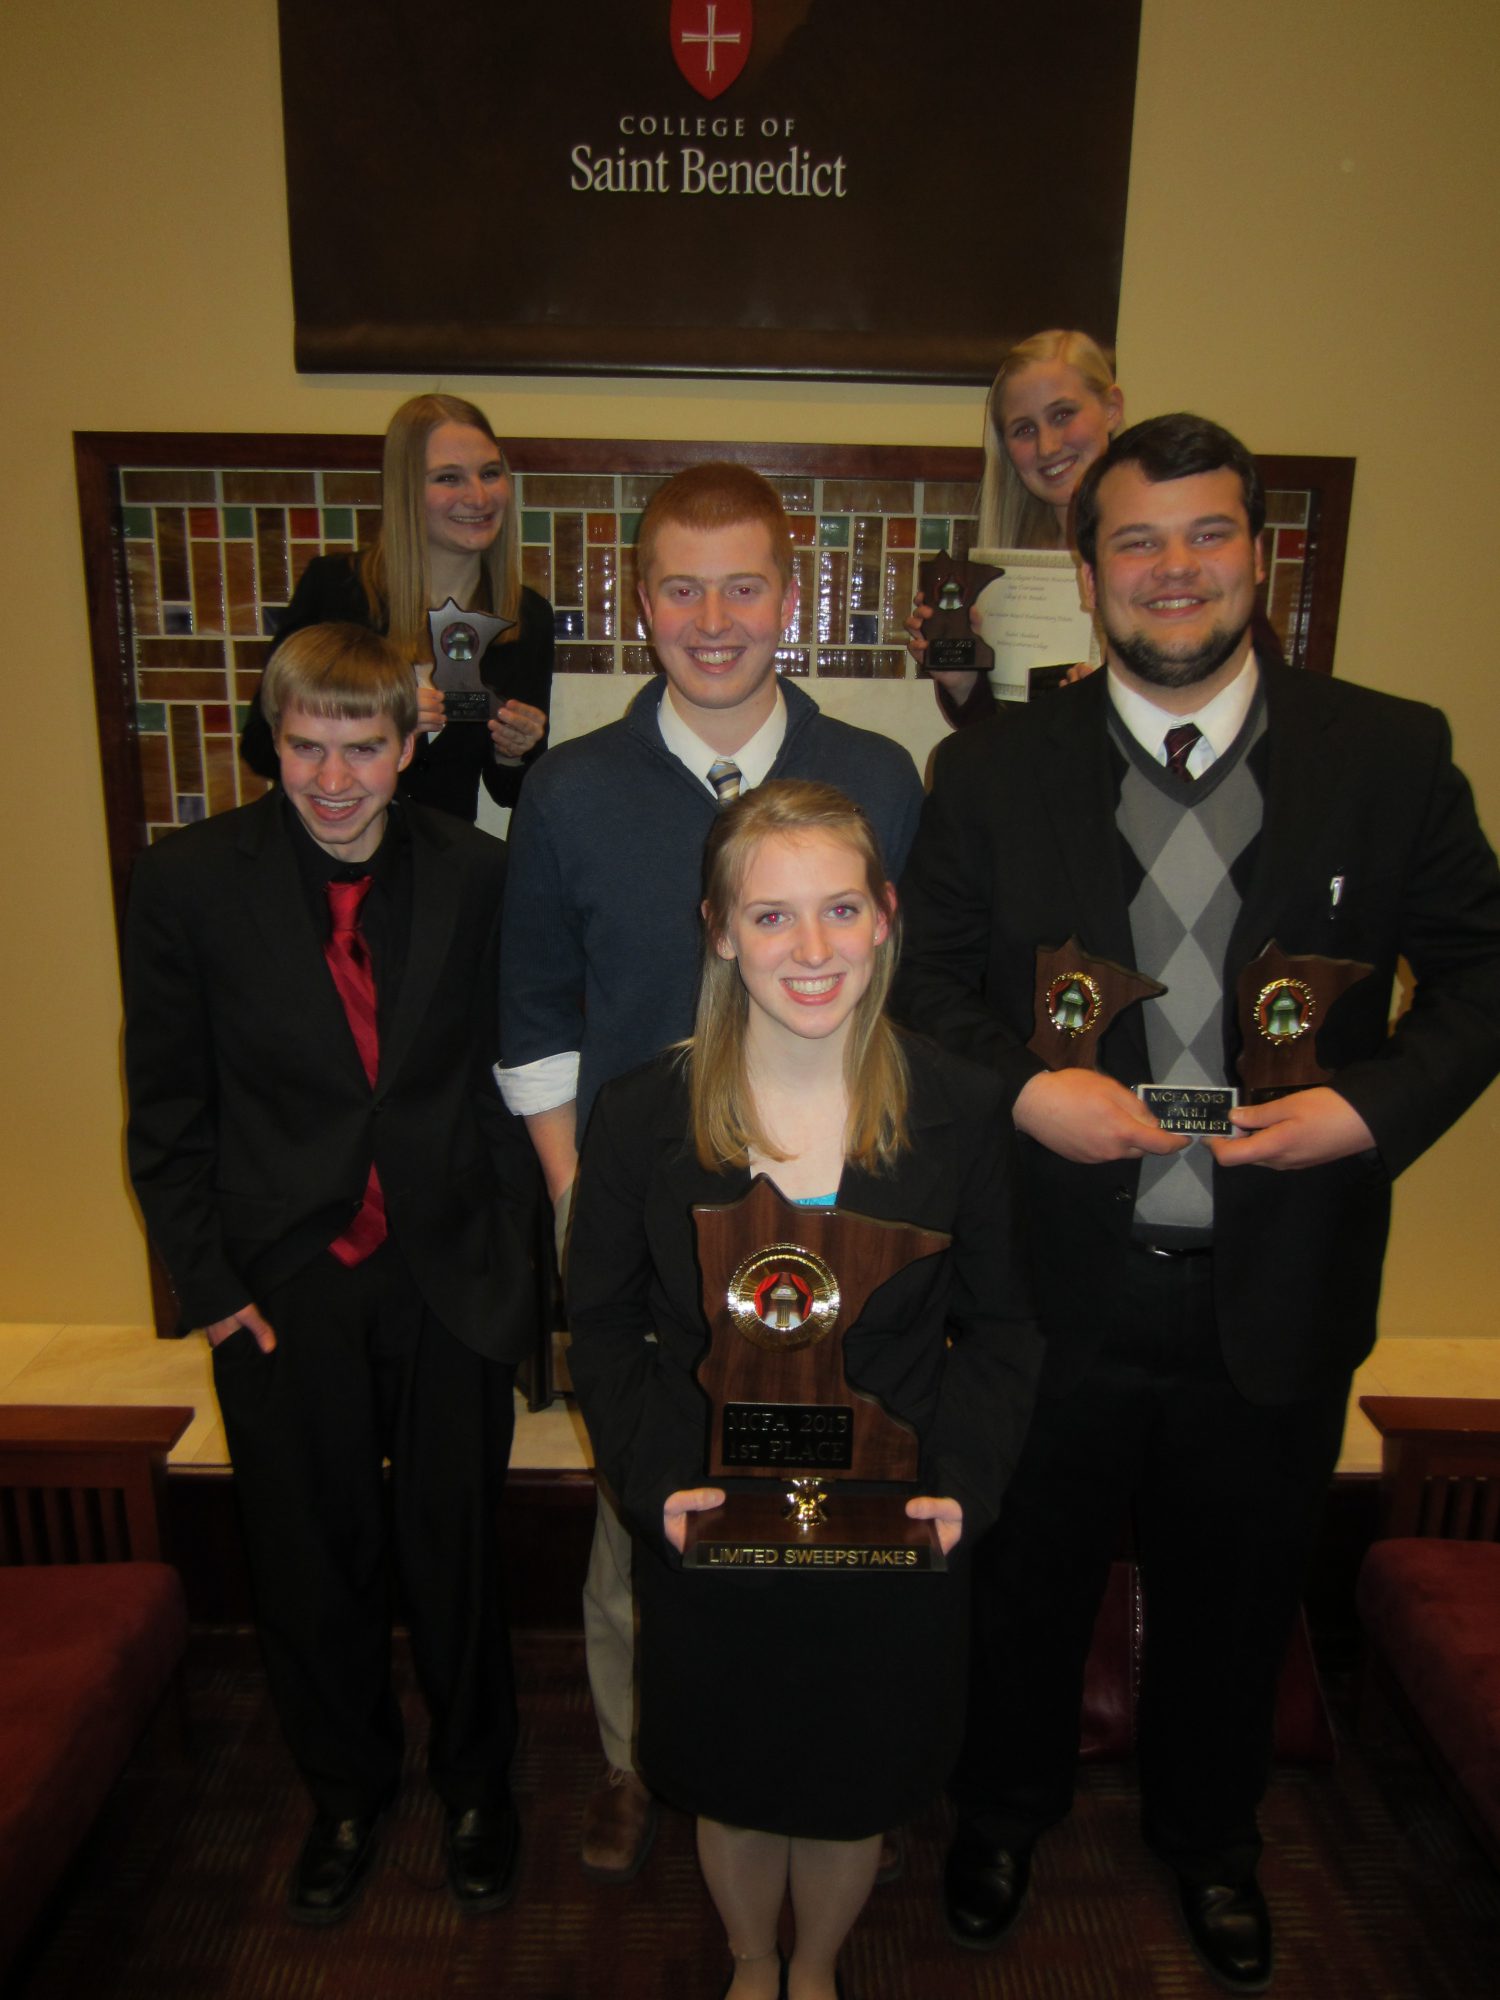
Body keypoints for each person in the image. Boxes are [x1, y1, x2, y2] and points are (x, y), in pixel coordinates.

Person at [895, 414, 1500, 1991]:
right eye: (1139, 544)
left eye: (1209, 535)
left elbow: (1487, 975)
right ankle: (1005, 1813)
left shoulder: (1393, 751)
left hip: (1282, 1274)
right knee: (1027, 1577)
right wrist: (1027, 1093)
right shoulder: (991, 770)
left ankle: (1211, 1842)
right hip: (1048, 1279)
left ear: (1257, 553)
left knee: (1238, 1594)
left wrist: (1366, 1112)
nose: (1176, 572)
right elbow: (929, 993)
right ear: (1089, 574)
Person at [498, 462, 924, 1880]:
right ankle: (639, 1763)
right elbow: (536, 1024)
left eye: (745, 582)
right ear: (640, 601)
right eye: (680, 585)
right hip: (651, 1240)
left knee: (833, 1515)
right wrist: (582, 1215)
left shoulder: (875, 776)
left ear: (789, 596)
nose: (714, 615)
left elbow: (909, 1009)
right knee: (647, 1524)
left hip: (837, 1234)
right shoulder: (569, 790)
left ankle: (821, 1771)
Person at [566, 781, 1041, 2000]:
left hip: (890, 1519)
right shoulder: (638, 1118)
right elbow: (605, 1326)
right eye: (770, 917)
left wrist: (960, 1489)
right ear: (718, 930)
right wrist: (658, 1477)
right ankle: (747, 1958)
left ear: (886, 916)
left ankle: (817, 1969)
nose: (812, 949)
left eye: (839, 907)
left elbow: (1003, 1327)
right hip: (715, 1517)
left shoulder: (962, 1107)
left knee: (847, 1791)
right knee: (733, 1775)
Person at [125, 623, 538, 1923]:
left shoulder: (478, 875)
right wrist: (204, 1278)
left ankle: (479, 1786)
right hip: (281, 1276)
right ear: (273, 742)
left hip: (445, 1268)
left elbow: (508, 1083)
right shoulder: (188, 882)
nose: (335, 778)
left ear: (413, 745)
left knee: (457, 1551)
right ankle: (347, 1790)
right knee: (308, 1555)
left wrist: (515, 1265)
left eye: (364, 746)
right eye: (306, 747)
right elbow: (168, 1107)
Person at [240, 393, 553, 820]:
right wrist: (378, 714)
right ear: (406, 490)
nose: (479, 497)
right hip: (325, 852)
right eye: (448, 478)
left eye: (490, 473)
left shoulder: (527, 616)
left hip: (441, 862)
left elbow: (509, 791)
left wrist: (515, 753)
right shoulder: (337, 591)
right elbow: (260, 745)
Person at [910, 329, 1123, 725]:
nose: (1047, 447)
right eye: (1024, 429)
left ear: (1112, 408)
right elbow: (998, 745)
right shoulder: (1002, 576)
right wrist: (962, 680)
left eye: (1063, 415)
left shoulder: (1164, 568)